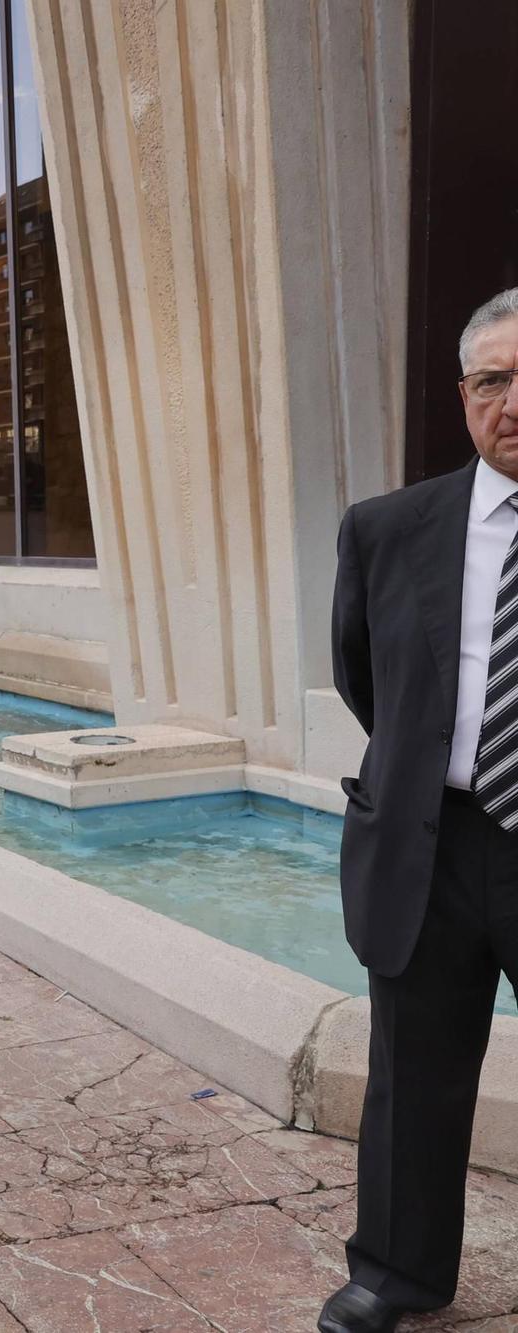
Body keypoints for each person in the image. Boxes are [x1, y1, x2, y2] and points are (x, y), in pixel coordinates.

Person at [326, 285, 518, 1333]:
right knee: (413, 1077)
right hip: (429, 842)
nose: (511, 400)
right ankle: (394, 1274)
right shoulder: (383, 529)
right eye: (491, 379)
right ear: (461, 398)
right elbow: (368, 682)